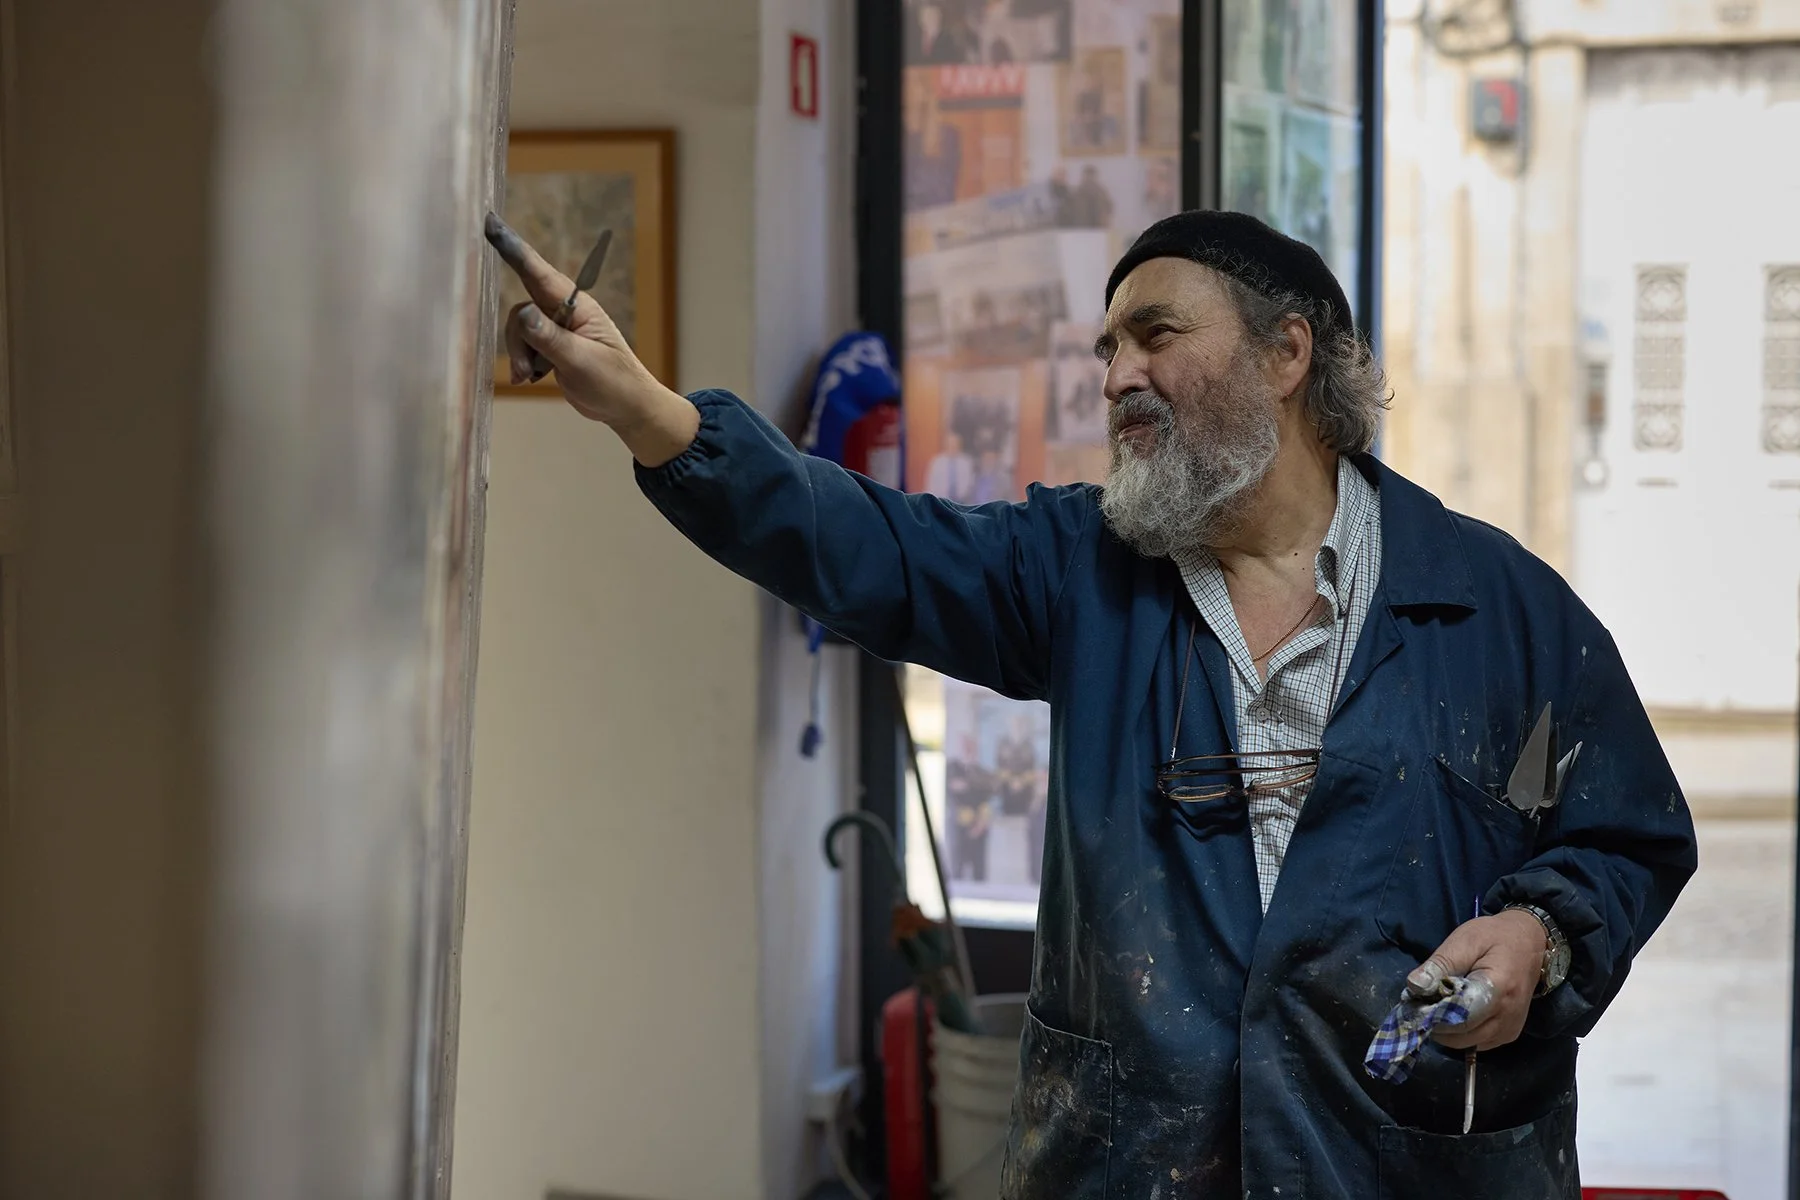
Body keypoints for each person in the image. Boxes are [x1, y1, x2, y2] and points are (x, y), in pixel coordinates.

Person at [487, 207, 1697, 1197]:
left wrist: (1543, 936)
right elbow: (866, 545)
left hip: (1405, 1164)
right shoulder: (1077, 573)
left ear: (1287, 354)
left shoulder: (1497, 604)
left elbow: (1629, 835)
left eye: (1153, 334)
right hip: (1132, 1166)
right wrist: (649, 414)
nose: (1117, 374)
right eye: (1107, 350)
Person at [946, 734, 996, 882]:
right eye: (965, 746)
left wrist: (981, 823)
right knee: (958, 865)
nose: (968, 749)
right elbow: (955, 788)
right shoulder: (952, 768)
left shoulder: (983, 772)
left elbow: (987, 798)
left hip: (979, 825)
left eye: (971, 746)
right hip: (959, 824)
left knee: (979, 867)